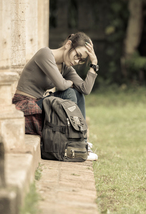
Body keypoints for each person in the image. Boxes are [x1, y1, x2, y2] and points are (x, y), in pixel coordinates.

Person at [12, 32, 99, 161]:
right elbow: (62, 85)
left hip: (40, 103)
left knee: (77, 93)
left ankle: (82, 142)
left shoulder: (66, 68)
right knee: (70, 92)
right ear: (68, 44)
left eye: (80, 60)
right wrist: (70, 83)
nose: (76, 61)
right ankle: (72, 141)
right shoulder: (45, 54)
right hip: (25, 105)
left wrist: (94, 64)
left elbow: (85, 89)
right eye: (77, 55)